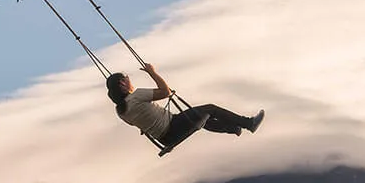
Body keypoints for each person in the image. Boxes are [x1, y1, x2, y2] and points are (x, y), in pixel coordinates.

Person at [106, 63, 263, 146]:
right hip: (174, 126)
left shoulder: (120, 111)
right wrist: (152, 72)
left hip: (165, 139)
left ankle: (233, 128)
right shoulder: (137, 96)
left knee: (201, 118)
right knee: (210, 109)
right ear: (122, 84)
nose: (130, 80)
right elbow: (165, 92)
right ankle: (248, 123)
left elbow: (136, 124)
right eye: (127, 78)